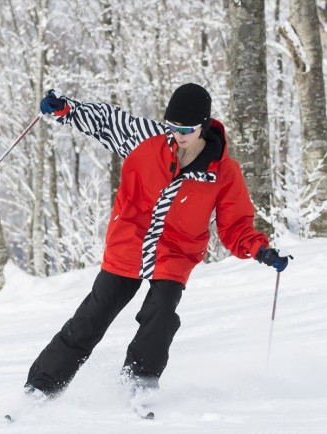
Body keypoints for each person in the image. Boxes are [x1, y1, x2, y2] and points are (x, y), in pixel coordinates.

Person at [24, 83, 290, 400]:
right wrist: (67, 109)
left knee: (161, 313)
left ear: (203, 126)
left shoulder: (224, 172)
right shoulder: (148, 140)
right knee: (92, 317)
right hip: (129, 243)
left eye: (187, 129)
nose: (178, 134)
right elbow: (108, 122)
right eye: (173, 126)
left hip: (176, 252)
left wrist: (260, 250)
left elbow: (234, 224)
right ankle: (41, 386)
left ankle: (140, 381)